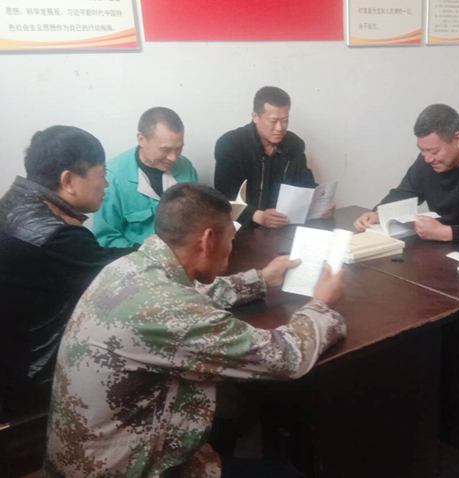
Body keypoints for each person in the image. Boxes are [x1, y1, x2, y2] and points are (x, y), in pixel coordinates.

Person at [45, 182, 346, 478]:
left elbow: (190, 294)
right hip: (129, 469)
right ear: (208, 240)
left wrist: (261, 279)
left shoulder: (129, 268)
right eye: (231, 237)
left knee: (235, 411)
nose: (231, 245)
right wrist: (321, 304)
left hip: (88, 457)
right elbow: (285, 357)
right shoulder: (170, 309)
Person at [0, 126, 133, 414]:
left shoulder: (12, 202)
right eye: (101, 175)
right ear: (68, 181)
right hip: (36, 380)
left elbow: (92, 257)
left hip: (11, 358)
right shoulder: (58, 237)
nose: (106, 185)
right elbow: (122, 282)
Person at [354, 104, 459, 243]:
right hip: (443, 247)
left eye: (433, 151)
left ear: (458, 139)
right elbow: (405, 192)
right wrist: (378, 214)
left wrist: (448, 232)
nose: (427, 158)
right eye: (422, 150)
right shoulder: (428, 159)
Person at [214, 86, 335, 228]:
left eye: (285, 120)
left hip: (284, 225)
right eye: (273, 121)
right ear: (255, 117)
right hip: (241, 229)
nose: (280, 128)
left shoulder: (294, 144)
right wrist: (257, 216)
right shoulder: (230, 144)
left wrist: (322, 205)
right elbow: (224, 196)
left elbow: (305, 184)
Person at [93, 107, 197, 247]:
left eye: (178, 148)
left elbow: (196, 219)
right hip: (135, 257)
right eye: (165, 149)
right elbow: (106, 238)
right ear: (141, 139)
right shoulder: (112, 177)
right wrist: (147, 255)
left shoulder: (186, 167)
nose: (173, 157)